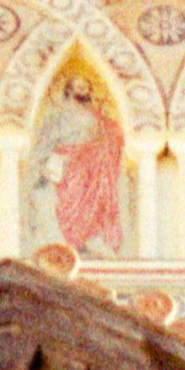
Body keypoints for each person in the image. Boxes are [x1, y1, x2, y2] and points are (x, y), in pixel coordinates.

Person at [38, 71, 124, 252]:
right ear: (69, 90)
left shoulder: (96, 116)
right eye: (79, 86)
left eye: (86, 86)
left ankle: (87, 241)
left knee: (93, 202)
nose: (83, 89)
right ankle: (71, 241)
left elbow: (110, 131)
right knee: (71, 199)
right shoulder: (58, 114)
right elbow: (47, 140)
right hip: (69, 162)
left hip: (92, 163)